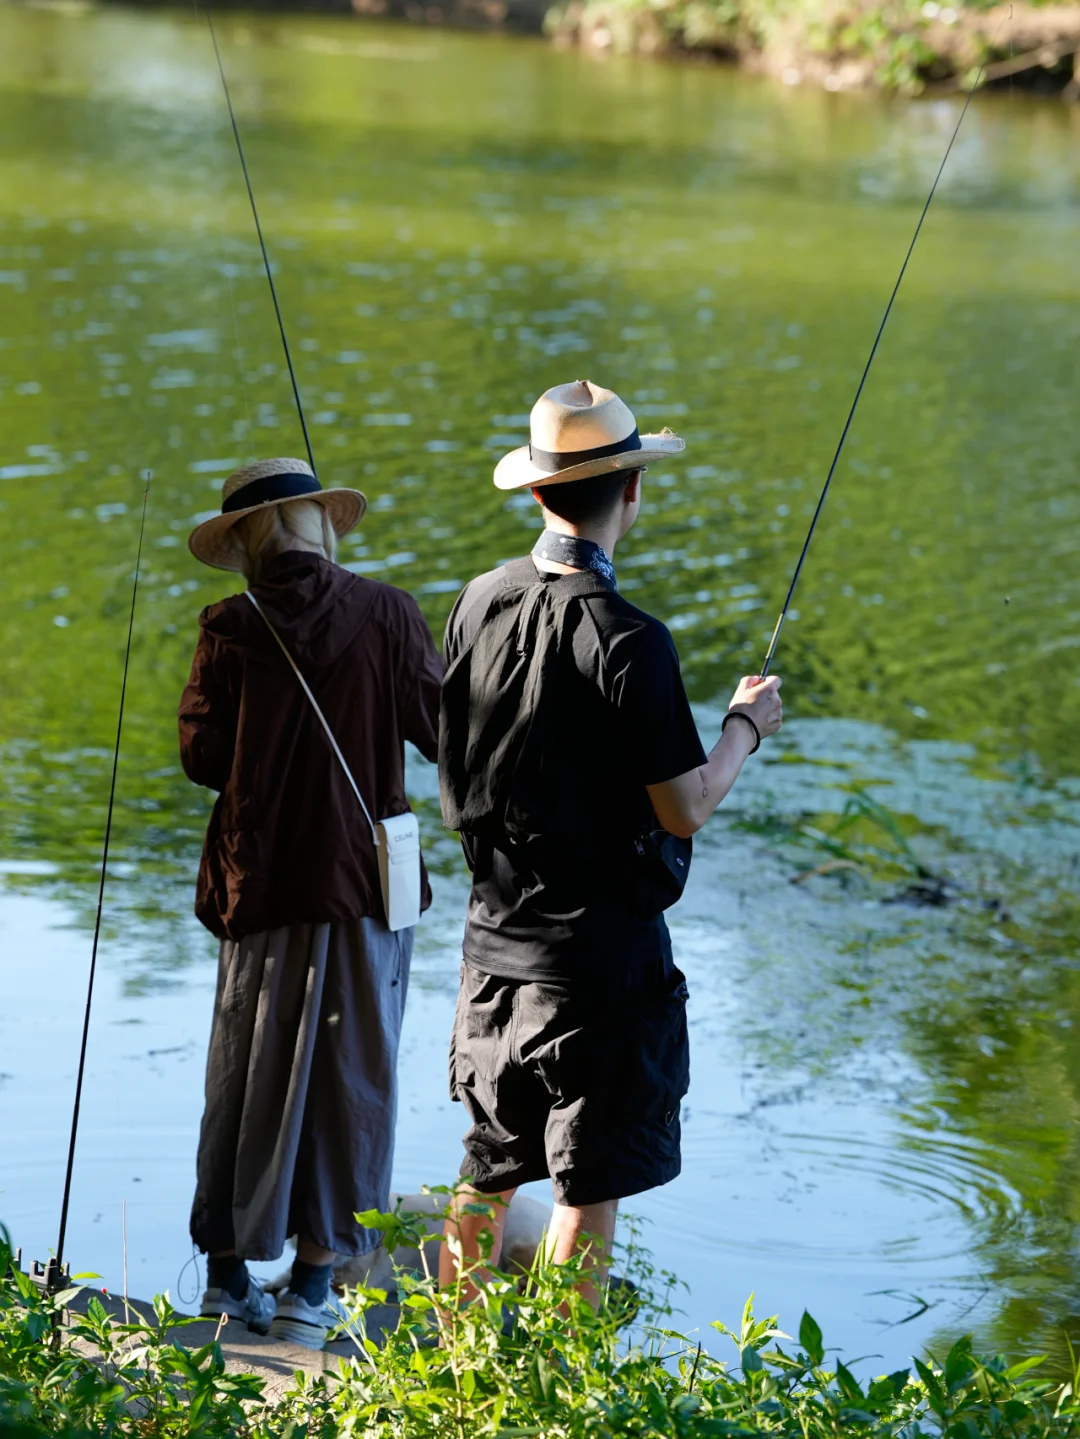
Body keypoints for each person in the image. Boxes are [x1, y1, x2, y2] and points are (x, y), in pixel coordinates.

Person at [437, 381, 783, 1306]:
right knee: (585, 1195)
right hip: (600, 971)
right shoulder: (633, 641)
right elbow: (685, 809)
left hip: (490, 956)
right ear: (632, 490)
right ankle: (564, 1398)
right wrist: (744, 727)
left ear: (539, 492)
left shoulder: (477, 601)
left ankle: (458, 1372)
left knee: (484, 1174)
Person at [180, 457, 442, 1348]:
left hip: (258, 889)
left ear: (249, 540)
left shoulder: (227, 624)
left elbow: (203, 760)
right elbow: (443, 732)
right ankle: (313, 1285)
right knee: (351, 1079)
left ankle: (224, 1277)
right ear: (320, 525)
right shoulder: (392, 613)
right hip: (363, 886)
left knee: (243, 1074)